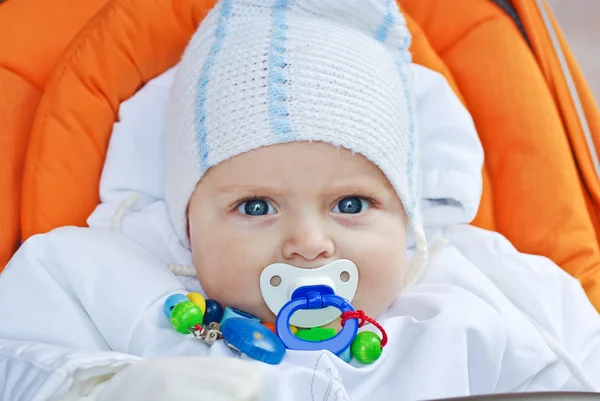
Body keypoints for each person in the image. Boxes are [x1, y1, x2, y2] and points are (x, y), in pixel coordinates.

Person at [1, 0, 600, 400]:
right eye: (256, 206)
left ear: (409, 216)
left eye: (353, 204)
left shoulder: (496, 296)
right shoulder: (100, 282)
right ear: (187, 221)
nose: (310, 244)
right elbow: (18, 361)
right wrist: (120, 384)